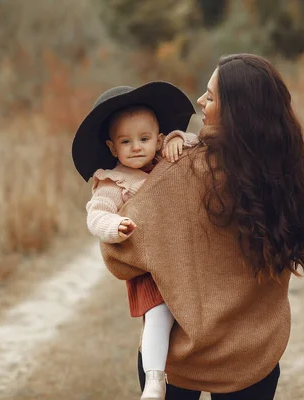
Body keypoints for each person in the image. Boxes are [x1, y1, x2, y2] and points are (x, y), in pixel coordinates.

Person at [100, 54, 304, 399]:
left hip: (183, 356)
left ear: (236, 108)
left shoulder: (183, 171)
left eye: (211, 95)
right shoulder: (287, 174)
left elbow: (118, 256)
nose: (200, 102)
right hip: (254, 354)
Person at [71, 82, 199, 400]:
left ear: (158, 138)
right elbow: (95, 214)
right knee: (158, 314)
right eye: (126, 141)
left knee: (196, 316)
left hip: (185, 264)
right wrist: (115, 225)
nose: (137, 147)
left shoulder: (170, 159)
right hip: (151, 270)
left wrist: (180, 139)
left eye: (144, 139)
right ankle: (155, 379)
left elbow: (201, 147)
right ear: (113, 148)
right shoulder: (114, 181)